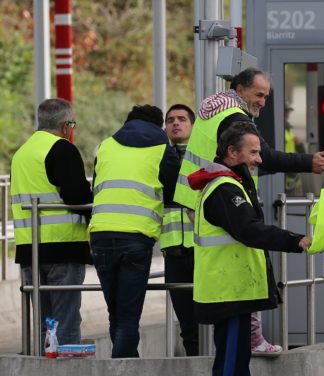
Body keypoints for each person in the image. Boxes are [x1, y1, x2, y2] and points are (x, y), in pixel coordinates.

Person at [172, 67, 324, 354]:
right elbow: (265, 155)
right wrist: (307, 162)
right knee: (246, 263)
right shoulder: (234, 117)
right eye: (259, 94)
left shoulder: (214, 110)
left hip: (199, 197)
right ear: (240, 90)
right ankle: (253, 338)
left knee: (233, 267)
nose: (263, 102)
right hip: (219, 193)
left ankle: (246, 337)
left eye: (266, 96)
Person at [188, 121, 311, 376]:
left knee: (239, 368)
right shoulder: (225, 189)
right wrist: (295, 240)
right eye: (253, 152)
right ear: (232, 153)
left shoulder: (233, 185)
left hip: (236, 291)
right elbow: (250, 231)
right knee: (229, 367)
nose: (259, 158)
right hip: (226, 293)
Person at [89, 105, 180, 358]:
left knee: (115, 314)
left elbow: (97, 183)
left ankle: (125, 367)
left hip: (101, 234)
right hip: (136, 237)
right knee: (128, 317)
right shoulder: (162, 148)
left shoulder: (107, 144)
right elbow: (174, 190)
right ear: (158, 125)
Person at [10, 97, 93, 346]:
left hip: (29, 250)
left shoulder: (21, 153)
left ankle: (43, 373)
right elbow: (76, 195)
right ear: (67, 126)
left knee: (45, 325)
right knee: (65, 321)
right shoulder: (62, 149)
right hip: (63, 247)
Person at [161, 104, 199, 356]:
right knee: (186, 322)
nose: (176, 123)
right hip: (173, 250)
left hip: (201, 248)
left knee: (208, 316)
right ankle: (194, 364)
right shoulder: (159, 156)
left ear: (193, 126)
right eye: (170, 119)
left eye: (182, 119)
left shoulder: (203, 155)